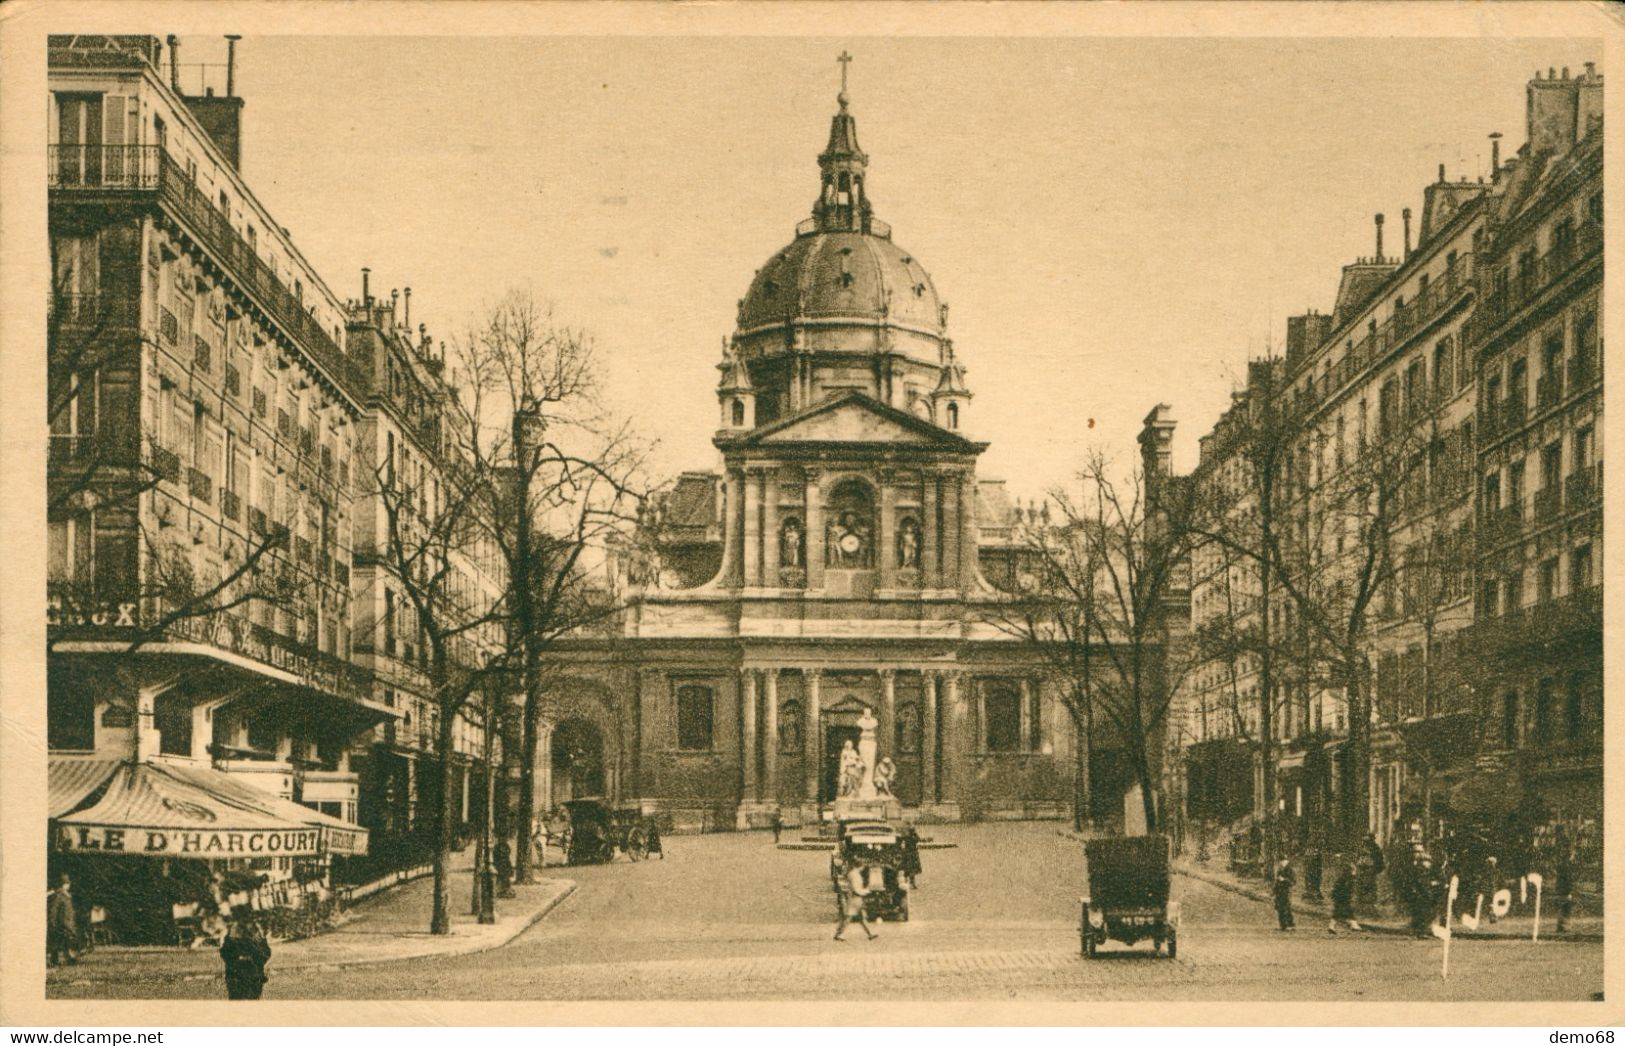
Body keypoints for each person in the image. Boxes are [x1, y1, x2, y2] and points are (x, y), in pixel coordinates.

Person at [219, 916, 271, 1000]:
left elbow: (265, 952)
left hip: (250, 975)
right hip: (238, 975)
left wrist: (252, 960)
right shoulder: (233, 932)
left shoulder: (255, 932)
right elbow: (225, 952)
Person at [834, 862, 878, 941]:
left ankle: (870, 934)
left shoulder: (852, 873)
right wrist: (866, 891)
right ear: (860, 866)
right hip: (855, 898)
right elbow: (856, 889)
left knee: (862, 917)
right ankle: (838, 934)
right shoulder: (855, 875)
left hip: (855, 898)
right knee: (849, 917)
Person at [46, 873, 78, 967]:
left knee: (65, 942)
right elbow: (54, 910)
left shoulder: (65, 895)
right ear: (64, 884)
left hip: (66, 923)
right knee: (58, 942)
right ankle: (56, 960)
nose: (69, 885)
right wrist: (53, 922)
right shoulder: (59, 895)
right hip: (61, 923)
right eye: (67, 883)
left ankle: (69, 958)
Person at [1328, 861, 1361, 934]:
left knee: (1340, 912)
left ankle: (1353, 925)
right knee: (1343, 911)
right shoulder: (1348, 879)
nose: (1355, 872)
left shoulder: (1344, 878)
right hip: (1343, 897)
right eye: (1353, 870)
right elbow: (1346, 889)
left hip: (1341, 897)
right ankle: (1353, 925)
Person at [1271, 859, 1296, 931]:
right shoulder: (1279, 868)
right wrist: (1273, 890)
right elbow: (1276, 880)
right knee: (1279, 908)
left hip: (1286, 891)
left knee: (1286, 907)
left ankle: (1289, 924)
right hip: (1279, 891)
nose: (1280, 864)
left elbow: (1293, 881)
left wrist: (1284, 880)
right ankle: (1282, 925)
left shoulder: (1289, 869)